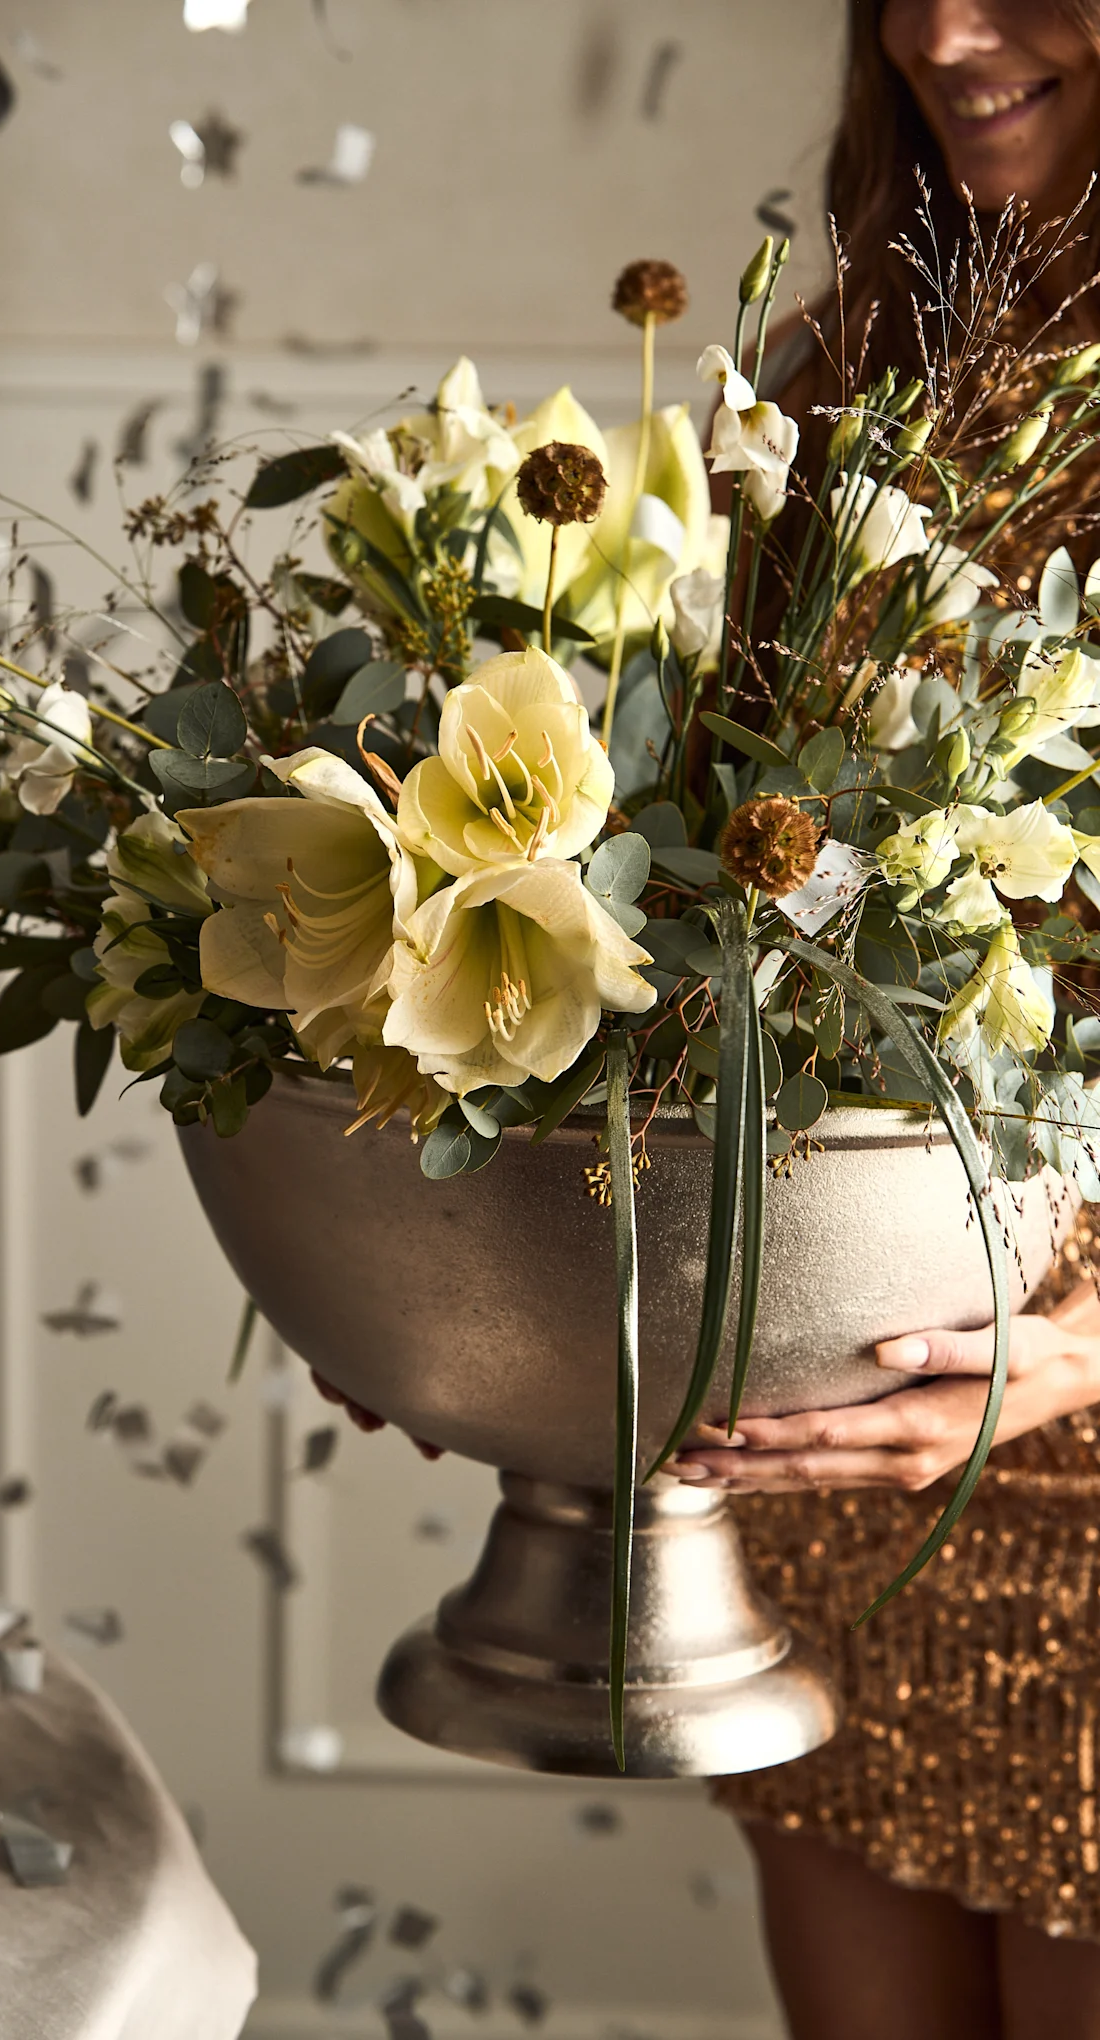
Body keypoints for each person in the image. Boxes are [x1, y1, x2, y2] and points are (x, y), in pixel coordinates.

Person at [671, 4, 1100, 2036]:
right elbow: (753, 894)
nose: (942, 29)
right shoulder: (829, 386)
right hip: (847, 1429)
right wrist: (489, 1292)